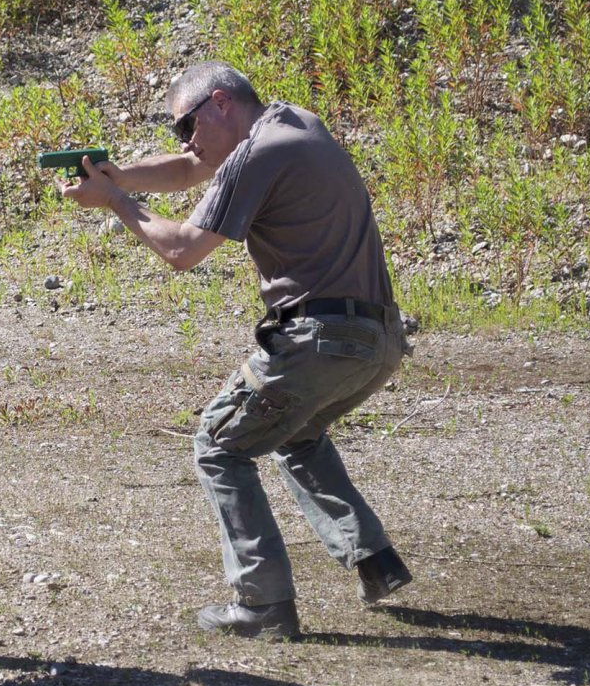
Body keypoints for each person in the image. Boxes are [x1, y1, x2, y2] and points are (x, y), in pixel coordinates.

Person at [57, 61, 413, 640]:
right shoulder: (295, 125)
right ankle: (374, 560)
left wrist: (118, 202)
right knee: (293, 433)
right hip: (376, 341)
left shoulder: (259, 153)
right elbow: (191, 168)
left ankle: (262, 604)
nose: (186, 140)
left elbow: (182, 251)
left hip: (317, 339)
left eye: (185, 125)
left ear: (220, 103)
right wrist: (114, 175)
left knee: (219, 444)